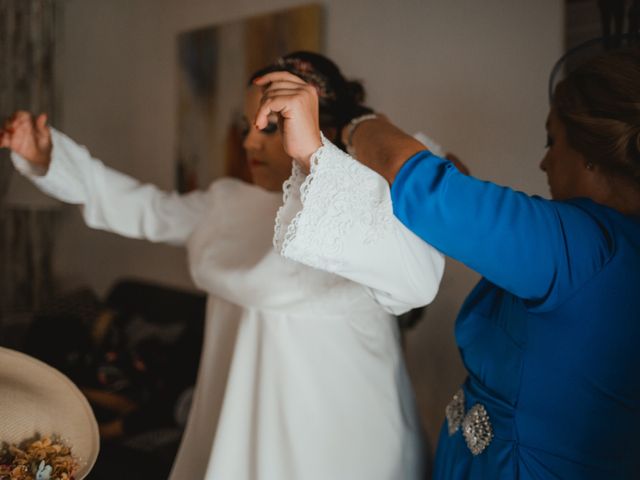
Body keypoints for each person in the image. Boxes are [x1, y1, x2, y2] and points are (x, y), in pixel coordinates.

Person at [1, 51, 445, 480]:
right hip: (234, 428)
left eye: (271, 127)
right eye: (247, 126)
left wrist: (337, 151)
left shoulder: (371, 206)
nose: (250, 142)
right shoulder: (226, 204)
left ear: (320, 126)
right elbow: (145, 209)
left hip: (343, 441)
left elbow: (416, 276)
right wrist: (51, 159)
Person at [252, 47, 640, 478]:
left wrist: (342, 126)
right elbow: (463, 204)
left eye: (553, 140)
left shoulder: (587, 247)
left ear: (590, 149)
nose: (544, 161)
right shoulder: (593, 248)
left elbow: (428, 189)